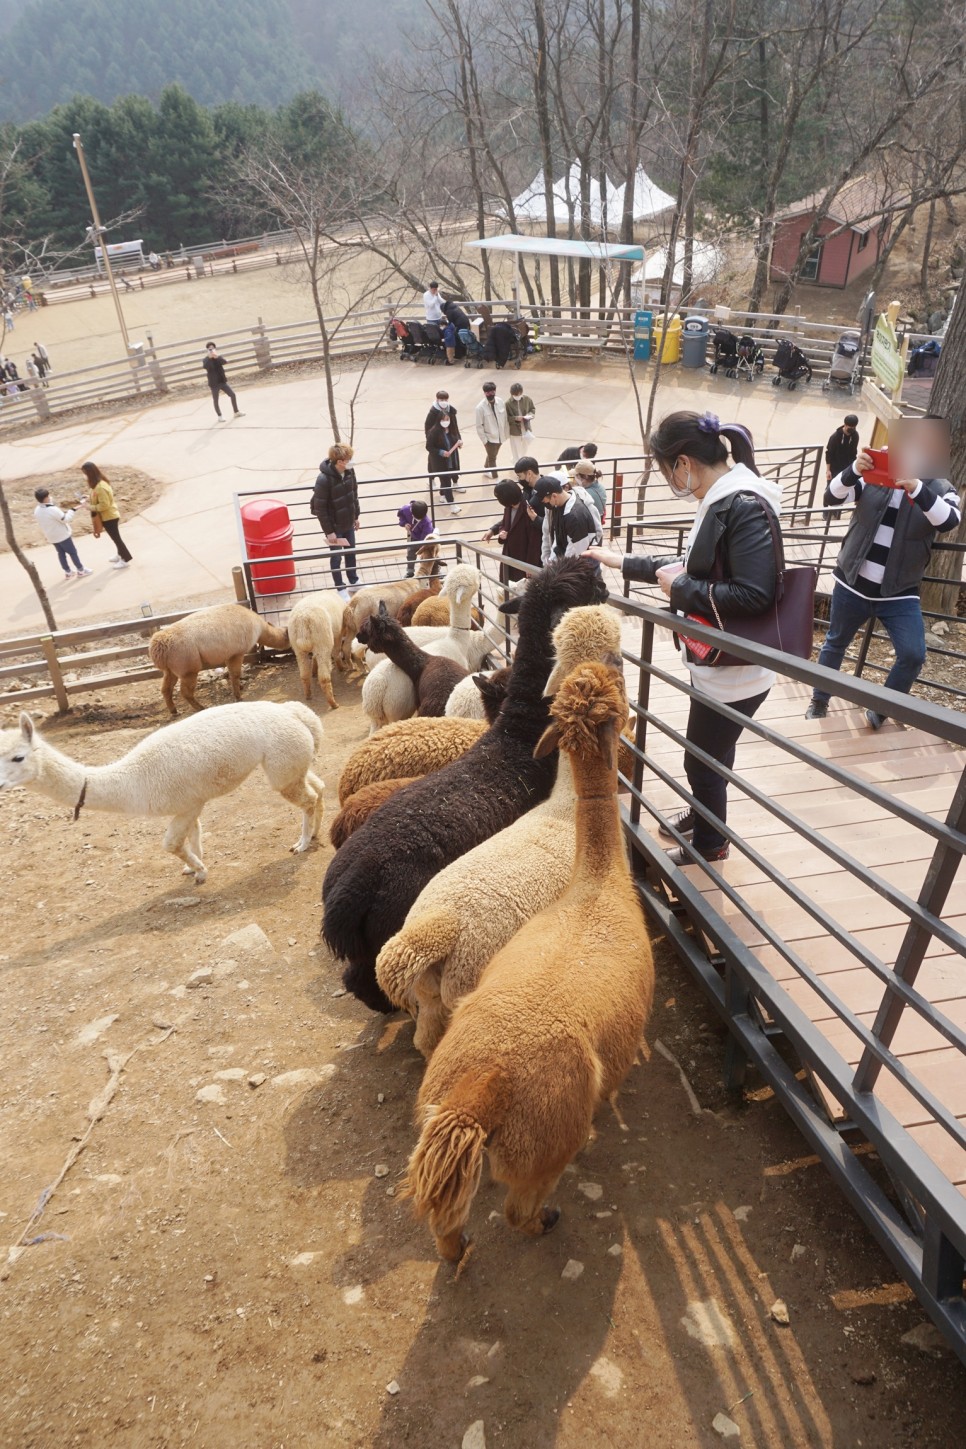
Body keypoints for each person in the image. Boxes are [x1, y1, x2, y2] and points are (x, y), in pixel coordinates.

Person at [587, 410, 783, 866]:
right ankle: (705, 815)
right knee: (712, 755)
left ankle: (711, 844)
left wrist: (681, 590)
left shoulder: (742, 505)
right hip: (719, 664)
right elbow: (693, 561)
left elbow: (755, 593)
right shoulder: (723, 497)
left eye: (666, 470)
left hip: (736, 672)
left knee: (700, 760)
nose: (671, 480)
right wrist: (624, 563)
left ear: (683, 463)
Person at [805, 437, 960, 730]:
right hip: (852, 583)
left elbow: (949, 521)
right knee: (835, 642)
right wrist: (854, 469)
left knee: (913, 654)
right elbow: (832, 497)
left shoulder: (940, 488)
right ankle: (819, 701)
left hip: (899, 593)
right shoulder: (875, 475)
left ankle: (880, 709)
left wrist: (916, 488)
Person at [311, 443, 361, 596]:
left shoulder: (350, 472)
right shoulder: (323, 479)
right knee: (336, 557)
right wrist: (329, 532)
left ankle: (354, 582)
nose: (351, 461)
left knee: (351, 552)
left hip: (348, 522)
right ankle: (340, 588)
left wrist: (356, 516)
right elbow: (320, 509)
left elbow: (354, 496)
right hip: (334, 527)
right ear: (340, 461)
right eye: (349, 459)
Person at [482, 479, 543, 582]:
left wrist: (530, 565)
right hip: (510, 556)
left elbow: (534, 541)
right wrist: (495, 531)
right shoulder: (509, 507)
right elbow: (506, 523)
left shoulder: (528, 510)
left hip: (523, 559)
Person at [533, 476, 600, 566]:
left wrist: (557, 572)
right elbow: (558, 539)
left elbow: (575, 554)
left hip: (582, 566)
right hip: (568, 562)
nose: (545, 505)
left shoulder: (575, 517)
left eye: (545, 501)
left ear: (554, 496)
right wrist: (551, 562)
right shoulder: (559, 506)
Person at [33, 487, 92, 581]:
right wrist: (73, 510)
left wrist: (76, 507)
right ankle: (81, 570)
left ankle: (68, 572)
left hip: (51, 537)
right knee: (73, 553)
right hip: (62, 536)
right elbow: (66, 519)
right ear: (46, 498)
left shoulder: (37, 510)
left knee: (61, 553)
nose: (50, 497)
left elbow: (57, 517)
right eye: (48, 495)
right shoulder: (52, 509)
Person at [81, 462, 133, 568]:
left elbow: (104, 505)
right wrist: (88, 497)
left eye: (85, 473)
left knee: (116, 539)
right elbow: (97, 496)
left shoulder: (100, 487)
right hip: (107, 516)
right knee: (115, 538)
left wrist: (89, 507)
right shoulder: (97, 484)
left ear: (89, 473)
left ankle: (125, 559)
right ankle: (120, 555)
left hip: (109, 517)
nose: (84, 476)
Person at [426, 411, 464, 515]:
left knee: (446, 480)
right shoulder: (434, 432)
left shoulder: (452, 430)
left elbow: (456, 440)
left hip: (452, 461)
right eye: (443, 420)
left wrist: (459, 443)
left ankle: (442, 495)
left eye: (447, 419)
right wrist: (441, 452)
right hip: (440, 463)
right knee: (446, 482)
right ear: (439, 420)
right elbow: (429, 447)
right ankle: (452, 505)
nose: (445, 422)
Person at [475, 381, 509, 478]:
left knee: (492, 455)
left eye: (492, 392)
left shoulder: (500, 402)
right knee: (492, 458)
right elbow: (479, 426)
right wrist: (485, 441)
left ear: (495, 391)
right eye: (487, 392)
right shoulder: (480, 408)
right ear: (484, 393)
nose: (490, 394)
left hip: (501, 436)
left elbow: (505, 418)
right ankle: (495, 477)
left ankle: (486, 469)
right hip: (489, 438)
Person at [202, 341, 242, 421]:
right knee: (216, 400)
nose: (211, 350)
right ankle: (219, 416)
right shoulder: (205, 359)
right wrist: (209, 358)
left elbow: (225, 362)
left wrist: (217, 357)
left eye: (213, 348)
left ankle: (236, 412)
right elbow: (205, 367)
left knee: (232, 395)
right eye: (210, 349)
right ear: (207, 350)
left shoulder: (218, 357)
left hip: (222, 381)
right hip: (214, 384)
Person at [398, 498, 435, 575]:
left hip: (424, 541)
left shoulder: (427, 524)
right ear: (411, 512)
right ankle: (410, 572)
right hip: (413, 537)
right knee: (411, 553)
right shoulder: (406, 509)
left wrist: (422, 547)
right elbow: (401, 515)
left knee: (430, 555)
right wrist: (404, 523)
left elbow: (425, 537)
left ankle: (435, 570)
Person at [506, 382, 536, 462]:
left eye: (519, 394)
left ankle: (519, 460)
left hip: (525, 427)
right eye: (516, 395)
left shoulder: (527, 399)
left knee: (525, 445)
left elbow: (532, 409)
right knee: (515, 448)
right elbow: (506, 418)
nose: (518, 396)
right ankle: (516, 463)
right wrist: (515, 418)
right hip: (514, 429)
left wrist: (529, 415)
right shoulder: (508, 403)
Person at [826, 413, 859, 482]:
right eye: (850, 428)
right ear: (845, 425)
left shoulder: (855, 435)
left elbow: (854, 452)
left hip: (847, 468)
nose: (852, 430)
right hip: (835, 468)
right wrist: (828, 470)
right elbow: (829, 453)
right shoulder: (835, 437)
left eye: (854, 428)